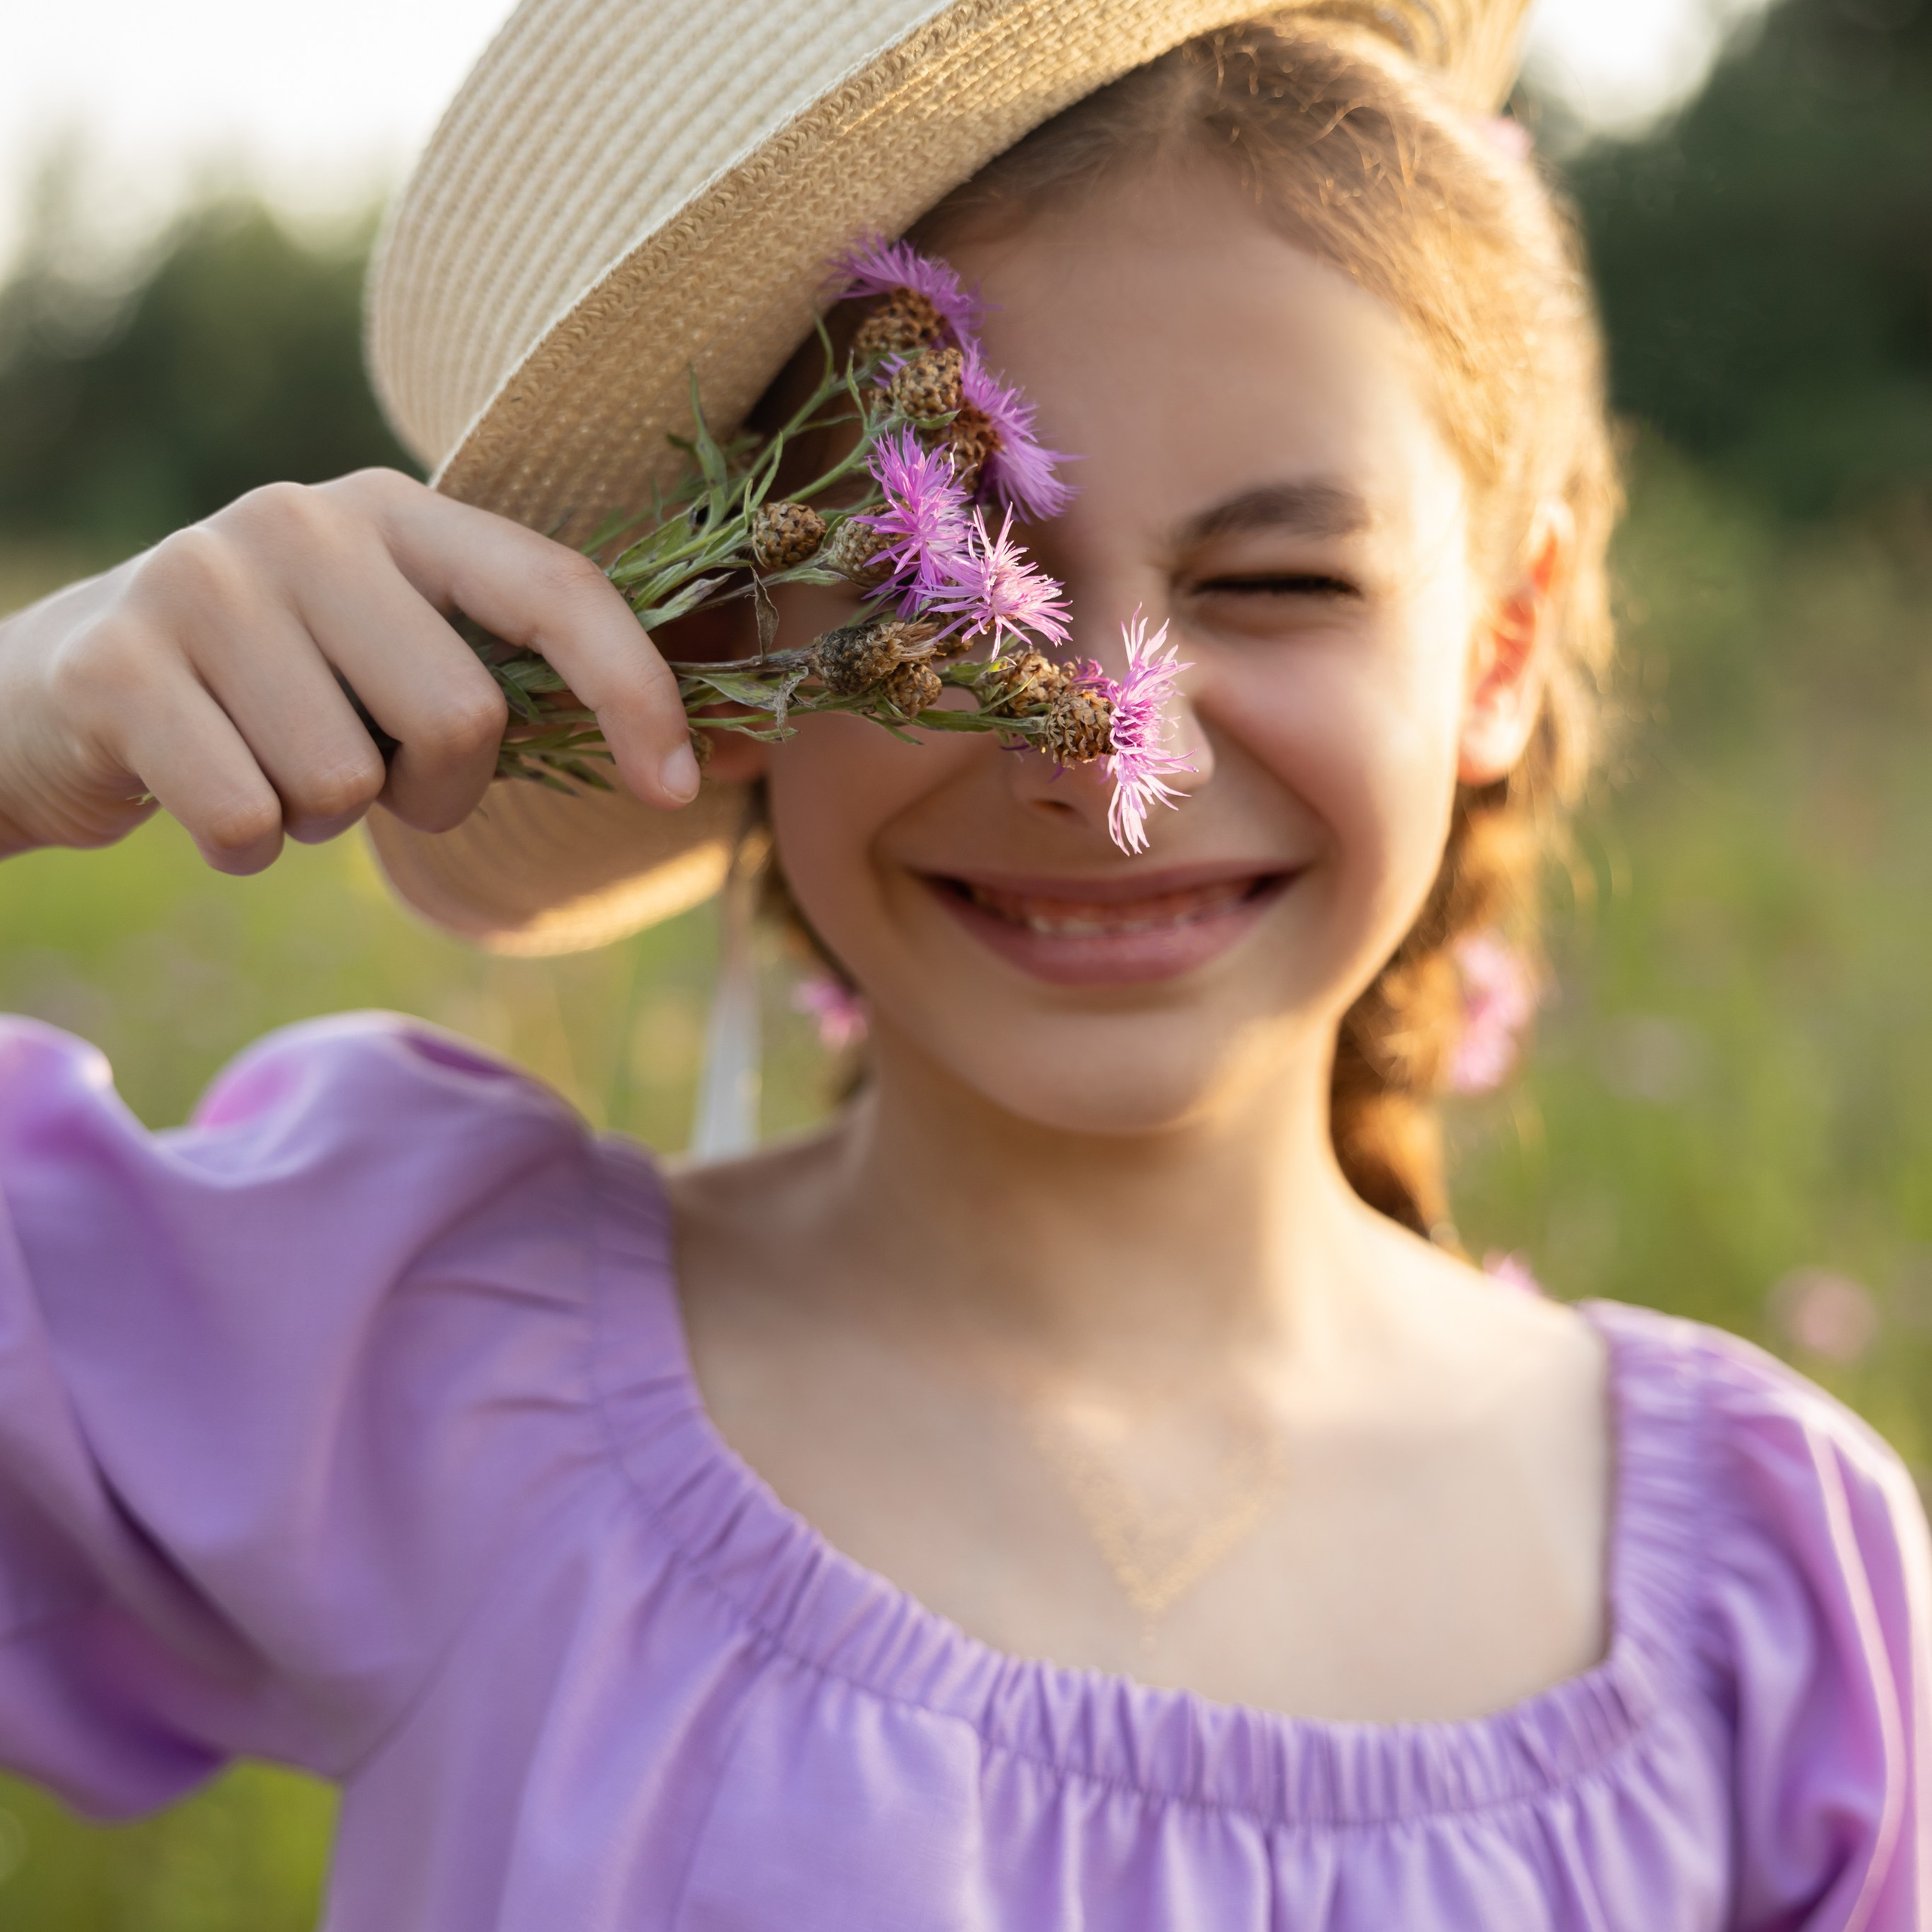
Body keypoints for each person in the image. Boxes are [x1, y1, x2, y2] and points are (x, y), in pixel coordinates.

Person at [0, 2, 1924, 1925]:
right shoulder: (399, 1358)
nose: (1109, 759)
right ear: (729, 635)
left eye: (1273, 584)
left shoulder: (1773, 1604)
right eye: (939, 590)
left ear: (1500, 649)